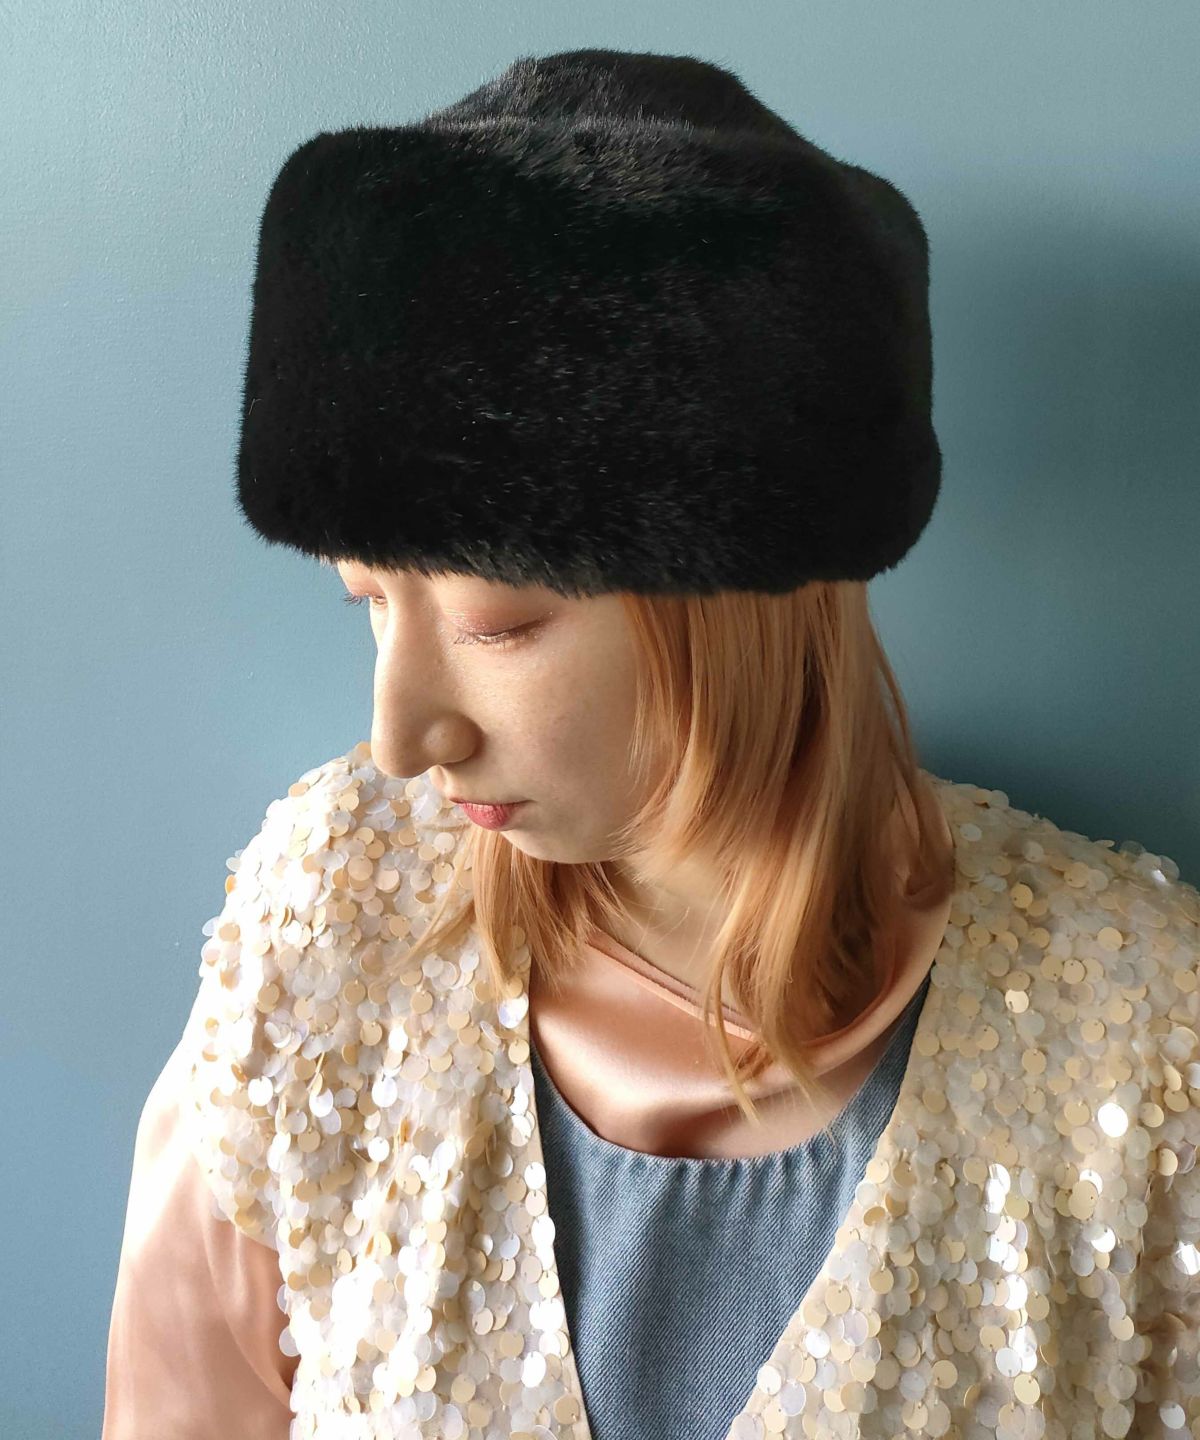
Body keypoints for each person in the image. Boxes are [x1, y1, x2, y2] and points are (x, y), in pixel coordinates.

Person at [102, 48, 1199, 1440]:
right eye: (367, 603)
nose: (401, 737)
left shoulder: (1143, 1047)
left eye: (498, 623)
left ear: (739, 601)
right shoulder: (327, 935)